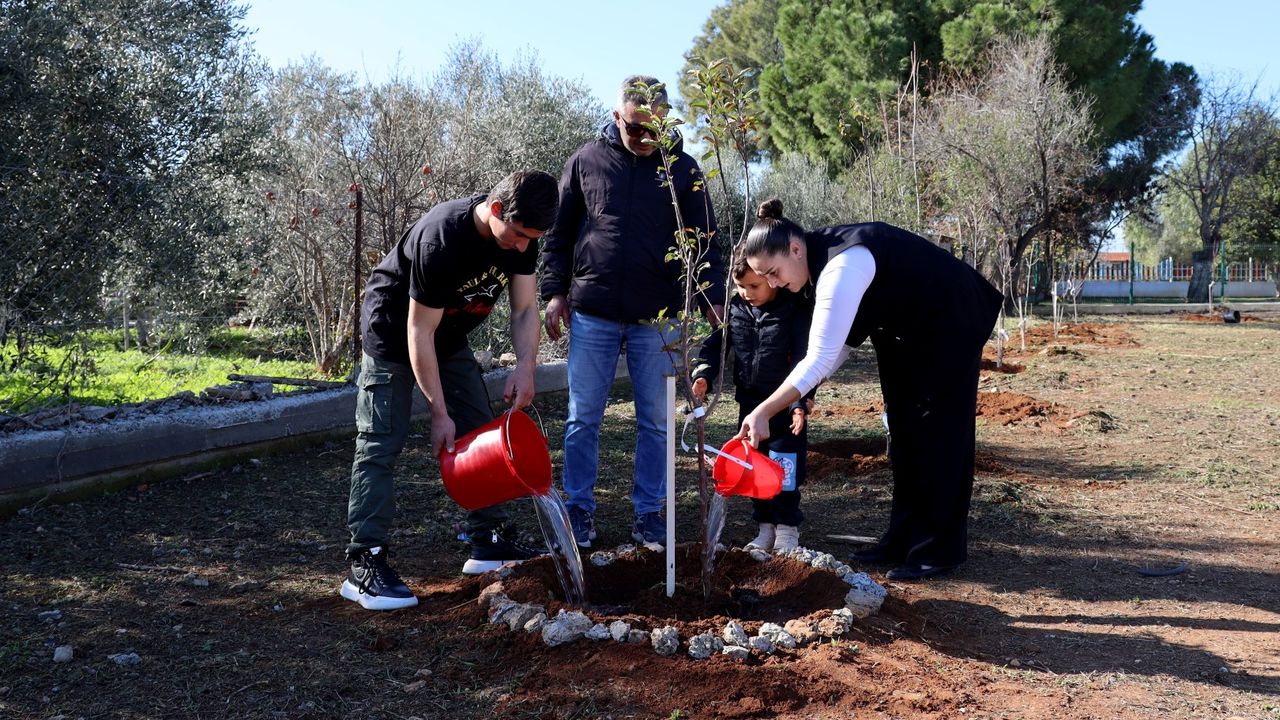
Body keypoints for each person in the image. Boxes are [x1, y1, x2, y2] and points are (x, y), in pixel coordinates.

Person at [735, 199, 1002, 581]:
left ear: (795, 248)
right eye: (767, 277)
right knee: (906, 431)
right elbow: (839, 346)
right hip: (903, 333)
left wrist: (764, 410)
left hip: (948, 323)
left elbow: (822, 355)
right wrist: (805, 391)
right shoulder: (814, 268)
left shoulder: (842, 265)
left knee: (941, 436)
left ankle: (938, 550)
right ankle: (902, 538)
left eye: (774, 273)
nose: (774, 284)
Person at [342, 169, 558, 611]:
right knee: (381, 441)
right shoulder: (443, 238)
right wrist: (439, 412)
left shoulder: (522, 234)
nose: (522, 246)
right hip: (393, 333)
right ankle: (365, 561)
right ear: (496, 210)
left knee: (483, 430)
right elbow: (418, 331)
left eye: (530, 238)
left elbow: (523, 309)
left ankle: (489, 540)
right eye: (518, 235)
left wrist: (525, 366)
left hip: (448, 334)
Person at [541, 75, 725, 548]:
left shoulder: (684, 170)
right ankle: (579, 511)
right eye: (636, 128)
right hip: (593, 311)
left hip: (658, 318)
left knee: (657, 422)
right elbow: (559, 233)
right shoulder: (586, 161)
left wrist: (711, 296)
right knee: (583, 417)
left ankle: (650, 515)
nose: (645, 138)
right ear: (618, 116)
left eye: (654, 129)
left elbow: (704, 241)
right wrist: (554, 292)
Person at [691, 257, 814, 553]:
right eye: (740, 286)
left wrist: (799, 402)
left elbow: (804, 358)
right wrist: (704, 374)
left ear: (771, 278)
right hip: (749, 406)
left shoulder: (792, 310)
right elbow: (716, 345)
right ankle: (764, 527)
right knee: (753, 466)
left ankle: (786, 529)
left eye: (754, 286)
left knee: (784, 468)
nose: (747, 292)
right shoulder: (736, 309)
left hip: (784, 407)